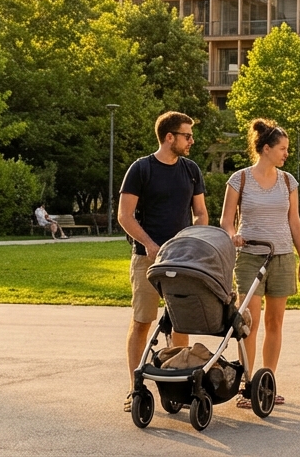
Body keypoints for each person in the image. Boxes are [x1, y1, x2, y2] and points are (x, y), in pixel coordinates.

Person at [118, 111, 208, 412]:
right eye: (187, 135)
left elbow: (201, 213)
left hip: (182, 260)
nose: (191, 140)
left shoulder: (191, 170)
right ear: (170, 137)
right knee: (143, 321)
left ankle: (177, 387)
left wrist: (193, 240)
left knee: (180, 321)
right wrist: (149, 244)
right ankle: (137, 389)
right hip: (148, 259)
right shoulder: (141, 169)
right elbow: (125, 215)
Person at [221, 118, 300, 408]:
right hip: (249, 257)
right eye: (283, 148)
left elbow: (294, 222)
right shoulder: (240, 178)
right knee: (250, 321)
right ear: (266, 148)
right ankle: (247, 384)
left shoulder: (288, 181)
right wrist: (234, 236)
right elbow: (226, 220)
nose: (286, 153)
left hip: (283, 255)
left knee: (275, 321)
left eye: (287, 148)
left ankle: (266, 383)